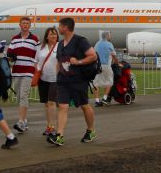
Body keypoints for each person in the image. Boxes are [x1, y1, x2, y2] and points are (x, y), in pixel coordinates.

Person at [48, 17, 98, 146]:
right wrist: (57, 76)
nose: (58, 28)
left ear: (66, 27)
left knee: (84, 106)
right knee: (63, 106)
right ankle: (59, 135)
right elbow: (59, 61)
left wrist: (79, 61)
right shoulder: (60, 44)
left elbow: (93, 56)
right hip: (63, 81)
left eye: (59, 26)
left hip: (78, 80)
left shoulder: (81, 41)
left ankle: (91, 130)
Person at [7, 17, 39, 133]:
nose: (25, 25)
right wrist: (10, 57)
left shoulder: (35, 39)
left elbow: (38, 55)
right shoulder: (14, 39)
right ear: (20, 25)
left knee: (23, 96)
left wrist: (36, 69)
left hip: (28, 71)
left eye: (27, 23)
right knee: (19, 97)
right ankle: (24, 121)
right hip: (16, 71)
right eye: (23, 23)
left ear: (30, 25)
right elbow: (9, 54)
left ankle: (20, 121)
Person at [34, 27, 59, 137]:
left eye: (55, 34)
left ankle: (53, 127)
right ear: (47, 36)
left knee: (51, 102)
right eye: (51, 34)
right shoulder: (40, 48)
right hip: (43, 78)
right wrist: (37, 72)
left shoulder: (60, 46)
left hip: (56, 79)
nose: (54, 36)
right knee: (45, 104)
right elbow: (36, 61)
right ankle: (49, 126)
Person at [94, 31, 119, 106]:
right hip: (106, 66)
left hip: (97, 66)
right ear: (107, 36)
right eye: (110, 35)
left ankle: (97, 100)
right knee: (109, 81)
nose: (110, 37)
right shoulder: (109, 44)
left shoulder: (97, 43)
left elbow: (94, 53)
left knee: (96, 83)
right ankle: (104, 98)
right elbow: (114, 56)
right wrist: (117, 63)